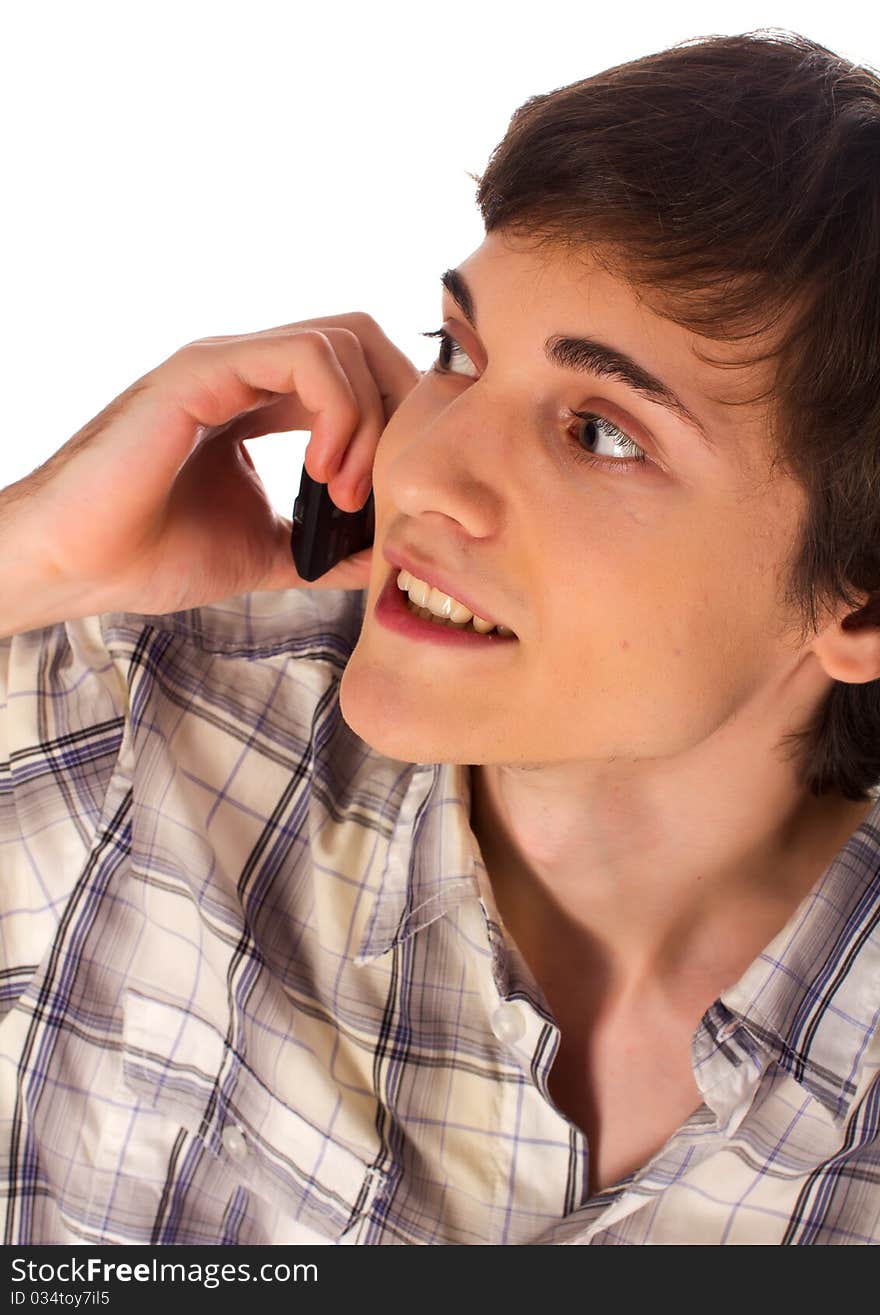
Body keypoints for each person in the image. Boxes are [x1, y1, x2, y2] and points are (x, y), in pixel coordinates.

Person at [2, 27, 880, 1247]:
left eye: (602, 431)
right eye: (457, 354)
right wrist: (28, 552)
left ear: (860, 600)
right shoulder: (139, 711)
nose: (427, 469)